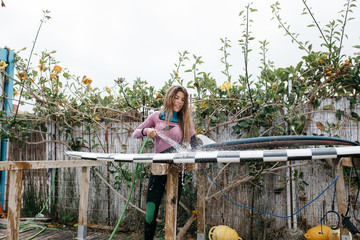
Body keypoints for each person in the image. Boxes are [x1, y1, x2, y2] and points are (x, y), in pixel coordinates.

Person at [132, 85, 199, 240]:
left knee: (172, 208)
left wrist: (200, 154)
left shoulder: (185, 120)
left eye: (183, 99)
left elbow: (195, 145)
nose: (179, 102)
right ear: (170, 97)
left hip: (177, 170)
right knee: (151, 208)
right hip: (159, 168)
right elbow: (135, 133)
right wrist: (147, 131)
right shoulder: (156, 116)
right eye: (177, 97)